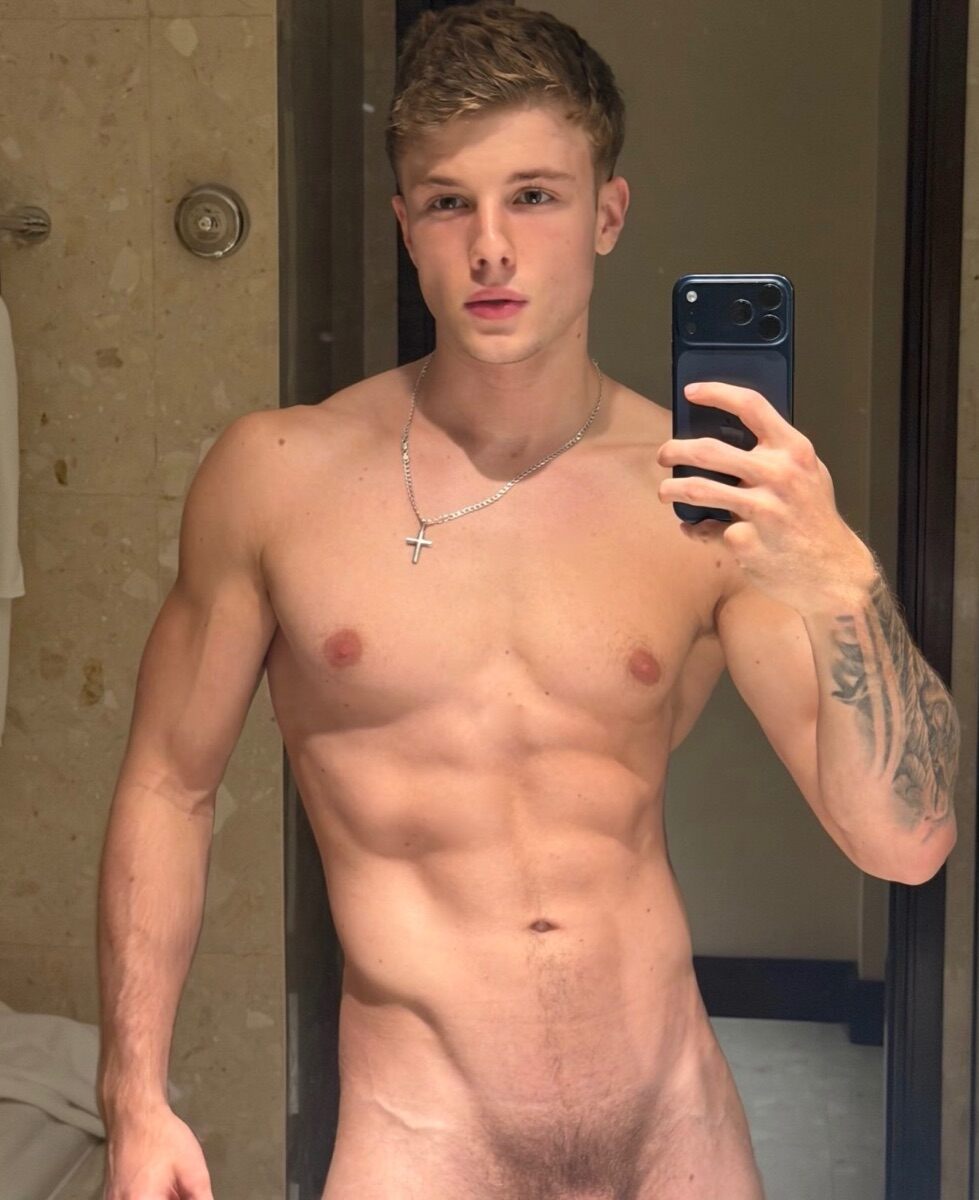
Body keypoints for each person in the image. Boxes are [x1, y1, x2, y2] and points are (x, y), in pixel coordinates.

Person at [95, 4, 960, 1198]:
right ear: (405, 224)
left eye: (535, 196)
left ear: (607, 213)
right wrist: (134, 1099)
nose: (491, 247)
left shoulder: (700, 501)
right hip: (418, 1138)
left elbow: (904, 844)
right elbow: (168, 785)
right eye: (449, 202)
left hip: (674, 1132)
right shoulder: (277, 478)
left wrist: (843, 582)